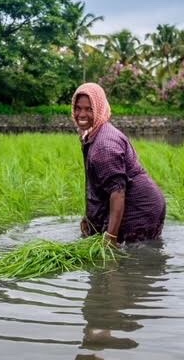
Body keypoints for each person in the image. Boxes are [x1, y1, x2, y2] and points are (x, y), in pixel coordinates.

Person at [71, 82, 166, 244]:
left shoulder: (105, 146)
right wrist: (90, 218)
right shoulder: (95, 132)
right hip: (135, 202)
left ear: (99, 108)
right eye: (78, 108)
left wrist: (111, 238)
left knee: (131, 257)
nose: (81, 114)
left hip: (140, 208)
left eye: (89, 109)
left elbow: (117, 193)